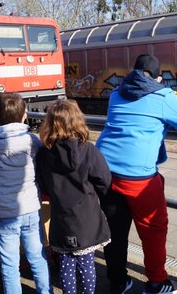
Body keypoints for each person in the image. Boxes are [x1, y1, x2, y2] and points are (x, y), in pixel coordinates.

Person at [96, 54, 177, 294]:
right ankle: (156, 282)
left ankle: (118, 283)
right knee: (153, 229)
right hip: (138, 178)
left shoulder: (115, 94)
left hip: (106, 171)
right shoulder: (163, 96)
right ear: (159, 77)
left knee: (115, 230)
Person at [0, 93, 53, 294]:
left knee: (9, 264)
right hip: (32, 209)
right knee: (38, 257)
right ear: (24, 116)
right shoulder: (33, 142)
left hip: (4, 214)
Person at [35, 99, 111, 294]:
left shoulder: (44, 154)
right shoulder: (89, 150)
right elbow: (104, 180)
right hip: (86, 221)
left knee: (66, 264)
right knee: (86, 265)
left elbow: (42, 183)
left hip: (61, 220)